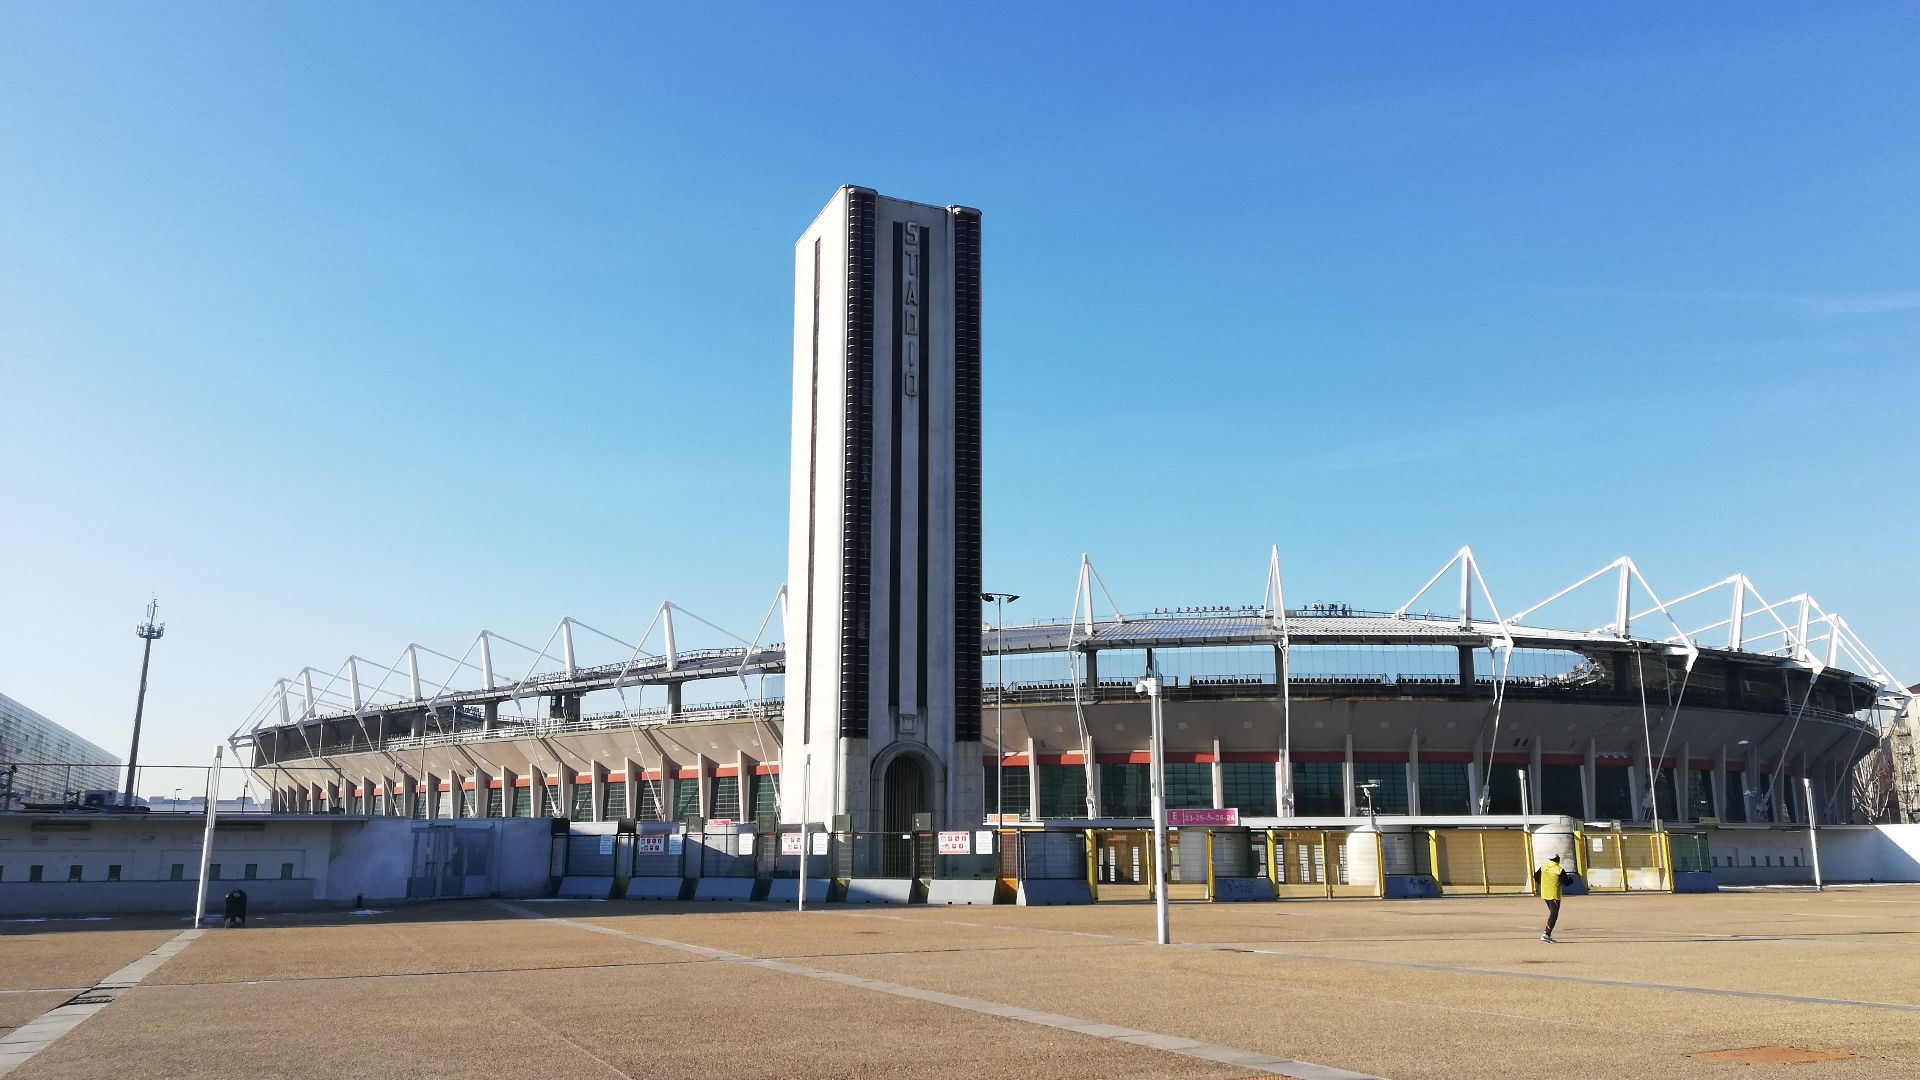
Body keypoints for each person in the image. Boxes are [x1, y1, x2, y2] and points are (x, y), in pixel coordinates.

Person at [1534, 854, 1567, 942]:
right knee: (1554, 914)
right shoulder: (1559, 869)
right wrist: (1570, 880)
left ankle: (1548, 934)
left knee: (1552, 913)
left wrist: (1544, 884)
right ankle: (1546, 934)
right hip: (1554, 895)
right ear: (1557, 859)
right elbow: (1566, 882)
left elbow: (1536, 877)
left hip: (1545, 894)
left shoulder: (1543, 867)